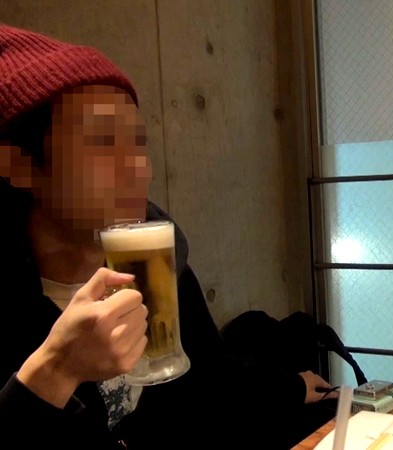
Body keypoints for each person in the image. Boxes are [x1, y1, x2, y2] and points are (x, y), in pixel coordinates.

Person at [0, 24, 335, 448]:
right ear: (19, 166)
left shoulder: (155, 263)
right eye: (103, 142)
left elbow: (212, 382)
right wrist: (56, 370)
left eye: (138, 143)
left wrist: (291, 388)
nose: (139, 169)